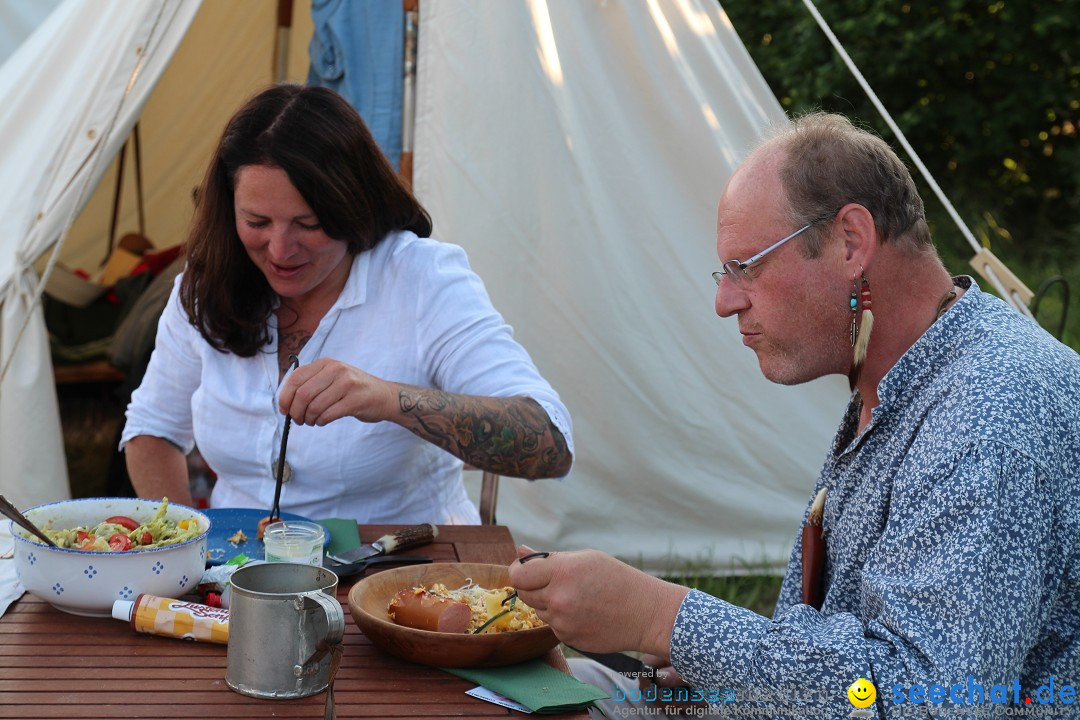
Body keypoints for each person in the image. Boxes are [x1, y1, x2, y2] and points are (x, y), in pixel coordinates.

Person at [510, 112, 1080, 717]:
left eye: (746, 267)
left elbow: (926, 701)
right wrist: (723, 668)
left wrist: (661, 619)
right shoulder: (907, 376)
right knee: (513, 692)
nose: (725, 302)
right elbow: (856, 657)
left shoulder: (992, 412)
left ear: (850, 242)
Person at [121, 84, 573, 523]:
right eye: (257, 221)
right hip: (240, 571)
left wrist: (390, 399)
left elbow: (549, 442)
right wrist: (188, 544)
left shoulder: (422, 279)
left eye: (308, 223)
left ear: (354, 206)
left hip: (403, 574)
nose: (279, 250)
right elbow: (152, 430)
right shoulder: (206, 287)